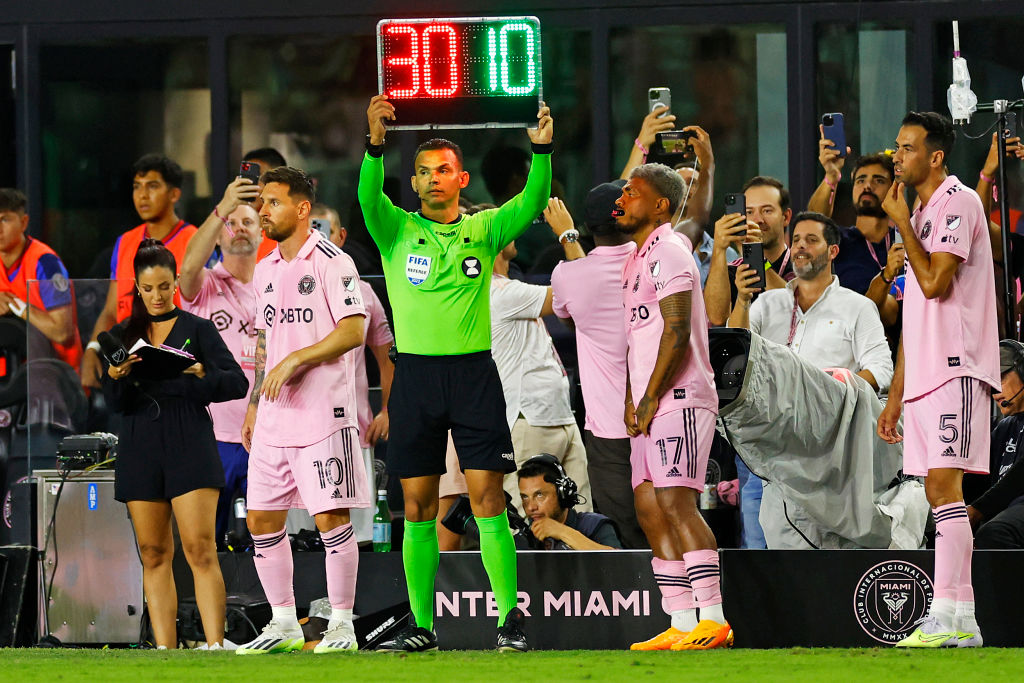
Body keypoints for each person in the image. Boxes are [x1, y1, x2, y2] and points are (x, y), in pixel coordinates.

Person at [358, 93, 553, 653]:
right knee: (417, 507)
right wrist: (375, 146)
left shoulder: (485, 228)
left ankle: (508, 620)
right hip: (416, 378)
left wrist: (542, 151)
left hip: (473, 376)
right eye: (422, 172)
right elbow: (369, 195)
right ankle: (422, 625)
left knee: (487, 498)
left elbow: (533, 198)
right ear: (414, 183)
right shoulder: (394, 230)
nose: (433, 179)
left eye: (443, 170)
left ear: (461, 177)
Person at [878, 111, 1000, 649]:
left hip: (958, 367)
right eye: (896, 147)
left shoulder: (958, 201)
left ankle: (948, 616)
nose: (896, 156)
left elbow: (934, 284)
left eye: (906, 148)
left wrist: (903, 224)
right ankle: (961, 619)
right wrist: (895, 397)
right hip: (925, 374)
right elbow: (912, 317)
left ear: (935, 156)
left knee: (946, 489)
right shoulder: (922, 210)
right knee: (935, 492)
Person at [238, 167, 370, 655]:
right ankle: (284, 622)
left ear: (301, 209)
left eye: (272, 202)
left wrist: (299, 358)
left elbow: (354, 330)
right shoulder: (266, 266)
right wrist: (254, 404)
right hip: (274, 416)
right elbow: (266, 339)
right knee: (261, 520)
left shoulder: (333, 261)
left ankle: (341, 624)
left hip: (322, 415)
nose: (263, 210)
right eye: (262, 202)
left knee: (330, 519)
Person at [102, 239, 247, 650]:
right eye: (148, 289)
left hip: (189, 440)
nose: (157, 296)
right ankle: (165, 652)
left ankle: (215, 645)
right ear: (137, 287)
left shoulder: (198, 329)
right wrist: (115, 378)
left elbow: (235, 382)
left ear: (175, 283)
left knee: (200, 549)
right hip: (139, 442)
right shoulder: (121, 335)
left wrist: (201, 375)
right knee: (152, 552)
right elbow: (112, 402)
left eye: (164, 287)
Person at [616, 163, 731, 651]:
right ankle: (681, 622)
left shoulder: (669, 251)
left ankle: (715, 619)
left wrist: (649, 396)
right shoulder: (635, 258)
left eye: (632, 191)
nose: (622, 196)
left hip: (678, 397)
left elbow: (677, 330)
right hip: (648, 401)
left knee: (676, 502)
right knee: (649, 508)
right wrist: (630, 396)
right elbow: (636, 338)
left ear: (660, 205)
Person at [549, 181, 647, 549]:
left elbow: (574, 318)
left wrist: (567, 236)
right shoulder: (655, 259)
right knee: (670, 525)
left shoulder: (567, 275)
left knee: (624, 537)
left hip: (609, 431)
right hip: (659, 418)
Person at [178, 176, 261, 547]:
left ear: (263, 232)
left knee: (267, 540)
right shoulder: (206, 285)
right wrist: (221, 208)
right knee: (205, 542)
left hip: (267, 435)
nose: (239, 229)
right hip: (214, 436)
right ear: (219, 234)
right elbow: (186, 271)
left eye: (248, 222)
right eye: (232, 223)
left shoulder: (276, 283)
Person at [730, 211, 893, 392]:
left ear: (833, 251)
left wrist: (829, 388)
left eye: (812, 240)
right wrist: (743, 299)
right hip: (768, 415)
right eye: (796, 240)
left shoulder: (858, 307)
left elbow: (882, 371)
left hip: (829, 415)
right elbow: (735, 353)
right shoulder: (766, 303)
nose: (801, 245)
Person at [311, 203, 395, 543]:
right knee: (303, 540)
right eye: (310, 233)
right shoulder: (283, 284)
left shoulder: (364, 292)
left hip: (353, 431)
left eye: (325, 233)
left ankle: (351, 600)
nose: (317, 242)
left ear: (341, 237)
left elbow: (387, 356)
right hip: (298, 435)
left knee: (356, 538)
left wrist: (388, 409)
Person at [491, 238, 593, 516]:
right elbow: (580, 290)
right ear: (495, 241)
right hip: (528, 420)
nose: (517, 233)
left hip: (557, 415)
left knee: (580, 519)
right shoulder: (499, 291)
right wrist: (567, 236)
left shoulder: (509, 289)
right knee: (527, 522)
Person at [82, 155, 197, 388]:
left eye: (152, 186)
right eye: (137, 187)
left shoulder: (194, 241)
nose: (142, 195)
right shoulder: (125, 242)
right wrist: (93, 348)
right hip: (126, 363)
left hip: (174, 365)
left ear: (174, 194)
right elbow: (111, 308)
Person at [0, 188, 82, 370]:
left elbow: (63, 333)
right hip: (10, 375)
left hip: (57, 375)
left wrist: (17, 307)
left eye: (4, 219)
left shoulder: (46, 264)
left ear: (23, 222)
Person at [705, 176, 791, 326]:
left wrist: (757, 258)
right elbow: (717, 317)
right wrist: (719, 247)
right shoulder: (733, 270)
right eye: (749, 212)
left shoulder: (801, 263)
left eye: (767, 210)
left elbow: (793, 310)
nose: (758, 220)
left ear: (786, 217)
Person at [968, 340, 1024, 549]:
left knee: (996, 533)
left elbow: (1020, 475)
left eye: (1001, 377)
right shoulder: (1004, 427)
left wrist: (978, 508)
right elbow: (978, 478)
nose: (994, 389)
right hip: (1006, 509)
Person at [517, 455, 621, 550]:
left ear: (562, 494)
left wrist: (562, 532)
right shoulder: (525, 537)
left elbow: (619, 564)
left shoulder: (593, 525)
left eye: (539, 495)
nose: (531, 507)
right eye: (525, 497)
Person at [242, 147, 288, 261]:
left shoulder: (289, 236)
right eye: (247, 178)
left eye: (258, 178)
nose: (249, 185)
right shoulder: (233, 231)